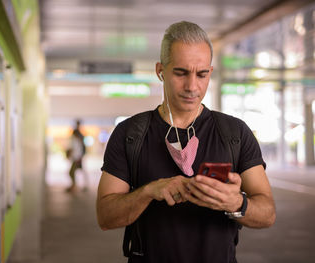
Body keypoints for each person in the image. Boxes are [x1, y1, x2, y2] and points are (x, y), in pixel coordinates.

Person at [97, 21, 276, 263]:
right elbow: (106, 217)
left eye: (201, 74)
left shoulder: (235, 133)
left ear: (210, 73)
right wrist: (150, 191)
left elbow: (267, 214)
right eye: (181, 73)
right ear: (160, 71)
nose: (192, 86)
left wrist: (235, 202)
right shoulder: (130, 134)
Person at [66, 120, 87, 192]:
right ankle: (76, 186)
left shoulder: (78, 138)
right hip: (77, 157)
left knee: (72, 172)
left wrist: (79, 157)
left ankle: (75, 186)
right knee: (76, 171)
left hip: (77, 158)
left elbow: (78, 149)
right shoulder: (79, 137)